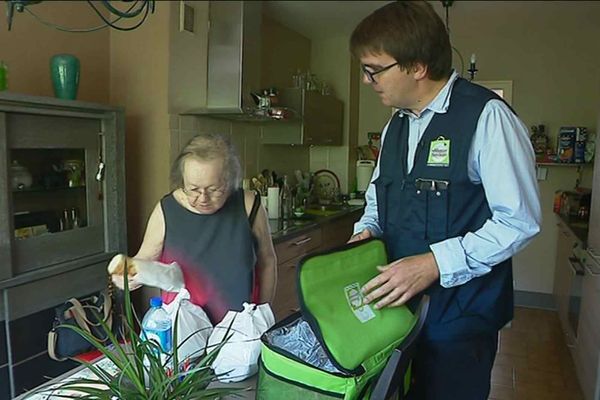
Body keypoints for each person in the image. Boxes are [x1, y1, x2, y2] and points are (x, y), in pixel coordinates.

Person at [348, 2, 541, 399]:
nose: (367, 80)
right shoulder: (395, 126)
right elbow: (377, 197)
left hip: (461, 321)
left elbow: (518, 221)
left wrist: (435, 262)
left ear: (416, 66)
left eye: (374, 69)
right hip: (398, 317)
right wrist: (366, 229)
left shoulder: (487, 117)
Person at [111, 133, 277, 324]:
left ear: (229, 180)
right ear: (182, 180)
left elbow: (268, 262)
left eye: (214, 189)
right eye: (193, 189)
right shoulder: (167, 210)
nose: (203, 198)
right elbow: (145, 260)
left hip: (240, 330)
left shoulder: (249, 206)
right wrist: (128, 276)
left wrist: (263, 315)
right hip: (183, 329)